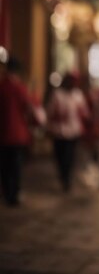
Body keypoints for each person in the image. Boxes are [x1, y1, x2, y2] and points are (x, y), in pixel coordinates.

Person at [0, 57, 45, 206]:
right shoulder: (20, 88)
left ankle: (7, 192)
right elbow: (29, 108)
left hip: (3, 132)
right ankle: (14, 193)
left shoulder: (2, 86)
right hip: (18, 133)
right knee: (16, 165)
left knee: (5, 165)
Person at [46, 73, 90, 192]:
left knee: (69, 157)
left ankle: (67, 179)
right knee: (60, 156)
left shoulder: (78, 95)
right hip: (59, 131)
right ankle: (63, 175)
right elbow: (51, 112)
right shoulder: (57, 95)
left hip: (74, 131)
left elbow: (84, 112)